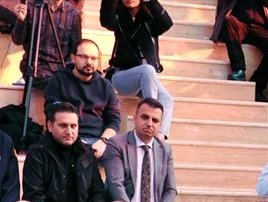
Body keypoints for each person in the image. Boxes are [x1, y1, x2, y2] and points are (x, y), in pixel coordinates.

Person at [21, 101, 106, 202]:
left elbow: (98, 194)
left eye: (73, 126)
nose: (69, 131)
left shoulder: (86, 154)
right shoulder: (37, 153)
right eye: (63, 126)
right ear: (50, 126)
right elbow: (34, 198)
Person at [102, 97, 177, 202]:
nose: (149, 123)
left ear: (160, 125)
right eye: (144, 117)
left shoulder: (165, 149)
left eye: (155, 120)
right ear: (135, 118)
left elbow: (170, 189)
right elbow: (115, 185)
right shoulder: (116, 144)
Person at [100, 0, 175, 139]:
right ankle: (150, 115)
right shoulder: (119, 17)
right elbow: (106, 20)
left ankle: (158, 139)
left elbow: (166, 23)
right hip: (121, 76)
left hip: (146, 79)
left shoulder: (149, 20)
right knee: (147, 69)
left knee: (167, 99)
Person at [43, 40, 122, 154]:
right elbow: (51, 113)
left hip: (98, 141)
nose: (89, 62)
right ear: (73, 58)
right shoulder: (58, 81)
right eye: (84, 57)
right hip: (67, 140)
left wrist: (103, 141)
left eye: (94, 58)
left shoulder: (106, 86)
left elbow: (114, 120)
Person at [213, 0, 268, 94]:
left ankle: (257, 86)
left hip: (262, 28)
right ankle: (239, 70)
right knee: (229, 21)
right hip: (239, 24)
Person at [12, 0, 83, 85]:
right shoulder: (31, 6)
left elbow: (76, 49)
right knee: (56, 84)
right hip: (36, 68)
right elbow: (17, 40)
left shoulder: (73, 14)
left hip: (61, 69)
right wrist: (20, 20)